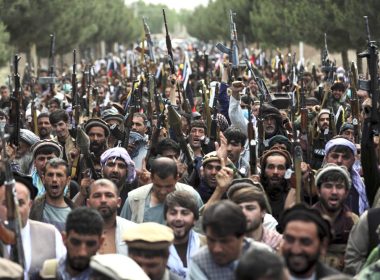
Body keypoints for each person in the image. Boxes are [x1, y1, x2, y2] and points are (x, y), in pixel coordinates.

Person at [0, 174, 66, 278]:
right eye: (7, 203)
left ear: (30, 205)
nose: (14, 210)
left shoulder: (51, 234)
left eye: (20, 203)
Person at [187, 200, 271, 280]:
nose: (217, 249)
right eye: (211, 240)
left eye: (225, 241)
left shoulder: (263, 256)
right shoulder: (199, 262)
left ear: (241, 237)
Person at [120, 157, 203, 224]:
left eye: (168, 186)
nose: (163, 191)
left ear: (177, 178)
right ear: (151, 178)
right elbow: (122, 232)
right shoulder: (134, 199)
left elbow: (201, 230)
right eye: (158, 186)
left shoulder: (192, 197)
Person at [313, 163, 358, 271]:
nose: (334, 192)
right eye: (328, 186)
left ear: (346, 192)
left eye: (339, 187)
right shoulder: (306, 219)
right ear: (318, 191)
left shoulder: (355, 221)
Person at [38, 207, 104, 280]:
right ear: (64, 239)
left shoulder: (110, 276)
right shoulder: (44, 275)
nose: (82, 253)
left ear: (101, 242)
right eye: (76, 243)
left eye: (90, 244)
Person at [280, 204, 341, 279]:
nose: (296, 250)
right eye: (290, 240)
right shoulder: (265, 275)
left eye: (305, 242)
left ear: (323, 246)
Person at [227, 179, 282, 251]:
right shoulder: (224, 241)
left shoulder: (279, 244)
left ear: (263, 212)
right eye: (238, 208)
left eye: (250, 208)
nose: (243, 213)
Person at [86, 179, 136, 255]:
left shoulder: (133, 230)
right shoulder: (77, 233)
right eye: (97, 196)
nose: (103, 200)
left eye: (109, 195)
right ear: (88, 204)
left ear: (118, 202)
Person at [164, 190, 205, 279]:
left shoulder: (206, 246)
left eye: (185, 213)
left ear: (195, 219)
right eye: (173, 213)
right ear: (165, 217)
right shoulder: (155, 247)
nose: (178, 218)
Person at [323, 137, 369, 215]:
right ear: (326, 158)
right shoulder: (315, 184)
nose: (339, 161)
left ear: (353, 160)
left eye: (345, 157)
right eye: (335, 156)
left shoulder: (361, 186)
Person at [29, 158, 75, 232]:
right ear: (43, 179)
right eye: (50, 175)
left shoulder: (74, 214)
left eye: (59, 175)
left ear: (68, 181)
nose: (54, 179)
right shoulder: (31, 208)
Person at [259, 147, 293, 220]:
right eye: (271, 167)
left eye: (280, 168)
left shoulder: (293, 193)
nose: (275, 172)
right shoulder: (256, 192)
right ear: (264, 170)